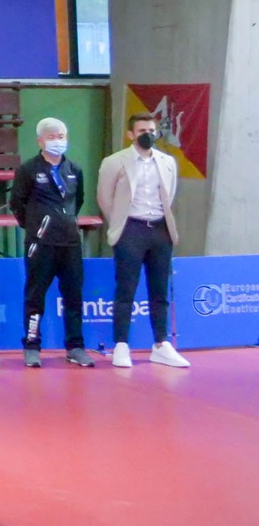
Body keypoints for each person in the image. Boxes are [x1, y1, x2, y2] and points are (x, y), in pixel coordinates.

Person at [98, 112, 188, 368]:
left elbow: (169, 194)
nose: (147, 135)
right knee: (126, 289)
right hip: (131, 229)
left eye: (151, 130)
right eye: (141, 131)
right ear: (130, 134)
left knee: (159, 290)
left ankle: (161, 344)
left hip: (160, 230)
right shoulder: (114, 162)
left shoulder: (167, 162)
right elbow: (105, 199)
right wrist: (120, 224)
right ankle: (121, 345)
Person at [10, 117, 93, 368]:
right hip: (40, 244)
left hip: (70, 243)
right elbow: (17, 204)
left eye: (61, 137)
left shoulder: (74, 169)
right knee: (35, 297)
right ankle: (32, 345)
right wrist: (37, 227)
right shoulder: (28, 170)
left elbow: (77, 201)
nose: (57, 141)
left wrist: (65, 223)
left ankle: (75, 346)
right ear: (40, 141)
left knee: (73, 296)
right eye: (52, 137)